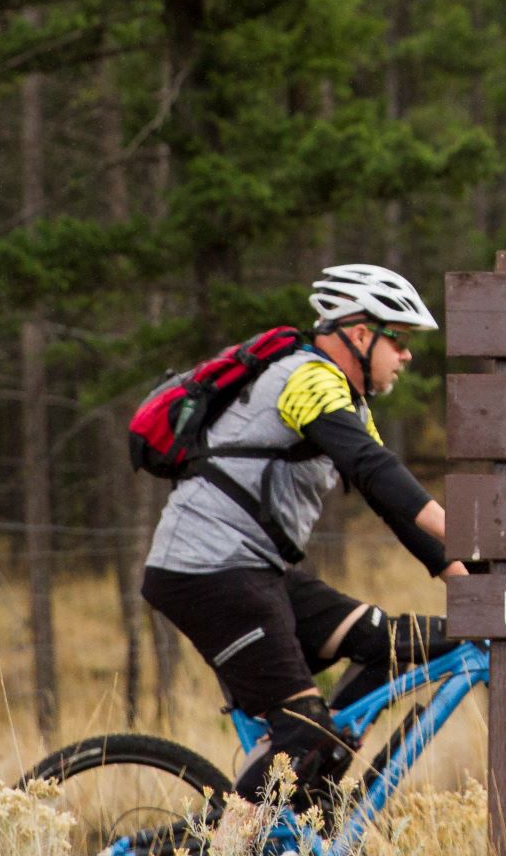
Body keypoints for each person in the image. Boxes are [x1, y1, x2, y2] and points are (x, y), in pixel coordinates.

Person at [140, 263, 464, 811]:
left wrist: (464, 576)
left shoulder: (344, 397)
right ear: (361, 335)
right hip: (207, 571)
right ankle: (226, 844)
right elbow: (371, 467)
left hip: (255, 572)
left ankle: (310, 787)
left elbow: (390, 502)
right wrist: (468, 530)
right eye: (400, 340)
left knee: (387, 645)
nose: (406, 356)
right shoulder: (306, 377)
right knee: (303, 732)